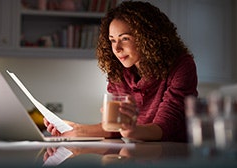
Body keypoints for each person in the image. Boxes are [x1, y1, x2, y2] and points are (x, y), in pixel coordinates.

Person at [44, 1, 198, 142]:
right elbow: (114, 129)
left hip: (174, 154)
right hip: (137, 155)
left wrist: (131, 130)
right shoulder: (119, 71)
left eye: (125, 39)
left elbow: (163, 127)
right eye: (112, 40)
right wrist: (75, 130)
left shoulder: (181, 65)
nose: (116, 49)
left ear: (147, 37)